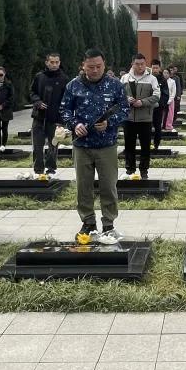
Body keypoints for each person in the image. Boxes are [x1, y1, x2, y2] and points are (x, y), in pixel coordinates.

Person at [61, 48, 130, 244]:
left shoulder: (115, 85)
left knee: (108, 186)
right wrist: (74, 124)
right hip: (82, 145)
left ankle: (108, 224)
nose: (95, 70)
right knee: (84, 186)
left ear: (104, 65)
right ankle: (88, 223)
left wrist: (110, 122)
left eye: (99, 66)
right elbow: (64, 110)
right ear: (83, 66)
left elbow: (124, 109)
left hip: (106, 144)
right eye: (90, 67)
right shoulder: (73, 85)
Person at [30, 53, 70, 176]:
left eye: (57, 62)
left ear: (60, 62)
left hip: (55, 118)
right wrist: (37, 102)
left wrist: (62, 121)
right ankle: (38, 170)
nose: (54, 65)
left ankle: (51, 169)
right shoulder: (39, 76)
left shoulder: (64, 79)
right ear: (47, 62)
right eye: (52, 62)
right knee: (37, 146)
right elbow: (32, 92)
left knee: (53, 145)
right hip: (39, 117)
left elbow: (66, 100)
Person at [121, 54, 160, 179]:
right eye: (137, 64)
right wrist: (127, 99)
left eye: (142, 64)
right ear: (132, 64)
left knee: (145, 145)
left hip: (145, 118)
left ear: (145, 64)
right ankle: (129, 169)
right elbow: (119, 95)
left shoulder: (152, 79)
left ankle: (144, 170)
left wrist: (142, 102)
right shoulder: (125, 78)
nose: (140, 66)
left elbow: (157, 96)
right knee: (129, 145)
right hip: (128, 117)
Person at [0, 67, 15, 152]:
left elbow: (11, 97)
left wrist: (3, 105)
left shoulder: (9, 85)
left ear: (4, 74)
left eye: (1, 75)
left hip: (6, 110)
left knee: (4, 128)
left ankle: (3, 146)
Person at [151, 59, 170, 151]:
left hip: (158, 108)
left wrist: (160, 104)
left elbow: (165, 95)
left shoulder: (163, 80)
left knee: (158, 127)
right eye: (153, 68)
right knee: (147, 127)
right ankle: (147, 144)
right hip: (147, 108)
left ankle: (156, 144)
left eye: (156, 68)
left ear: (159, 68)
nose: (155, 70)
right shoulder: (148, 78)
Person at [163, 68, 179, 132]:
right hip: (162, 100)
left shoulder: (172, 81)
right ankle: (162, 125)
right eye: (164, 73)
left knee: (170, 114)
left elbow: (173, 92)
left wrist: (170, 100)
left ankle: (168, 125)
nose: (165, 74)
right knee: (162, 114)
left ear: (169, 74)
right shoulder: (161, 81)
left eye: (167, 73)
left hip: (170, 100)